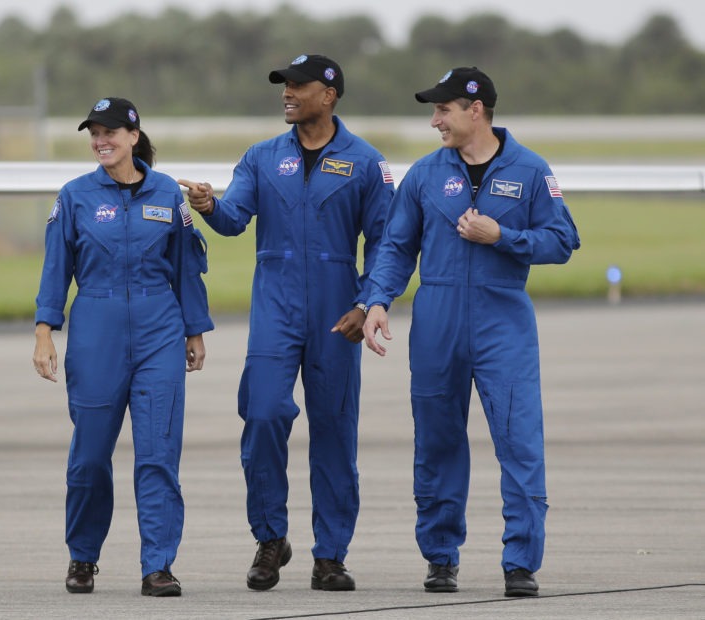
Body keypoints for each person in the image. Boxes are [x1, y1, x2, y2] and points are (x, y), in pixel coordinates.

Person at [361, 67, 580, 597]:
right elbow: (395, 246)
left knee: (519, 442)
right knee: (436, 442)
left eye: (443, 110)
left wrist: (504, 235)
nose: (435, 120)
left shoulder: (530, 171)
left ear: (475, 109)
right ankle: (440, 557)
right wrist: (376, 300)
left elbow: (562, 239)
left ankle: (521, 562)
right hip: (436, 321)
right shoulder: (424, 174)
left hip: (502, 321)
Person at [179, 54, 394, 592]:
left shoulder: (365, 163)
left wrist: (367, 302)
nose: (287, 93)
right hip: (275, 308)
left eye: (298, 85)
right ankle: (271, 538)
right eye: (284, 85)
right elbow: (233, 221)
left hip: (336, 310)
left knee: (334, 433)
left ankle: (331, 556)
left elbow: (387, 243)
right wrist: (209, 205)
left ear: (329, 94)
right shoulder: (261, 157)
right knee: (264, 414)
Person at [33, 97, 214, 597]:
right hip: (96, 328)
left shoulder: (167, 195)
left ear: (135, 136)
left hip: (160, 328)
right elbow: (55, 270)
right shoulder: (74, 196)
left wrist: (194, 329)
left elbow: (186, 266)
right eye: (94, 133)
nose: (101, 140)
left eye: (111, 131)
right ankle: (83, 556)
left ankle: (158, 565)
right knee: (90, 456)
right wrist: (44, 330)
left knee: (157, 453)